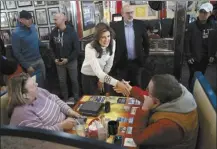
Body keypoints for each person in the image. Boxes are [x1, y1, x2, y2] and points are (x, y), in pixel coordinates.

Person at [114, 74, 198, 149]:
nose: (146, 92)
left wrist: (143, 109)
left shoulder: (169, 124)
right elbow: (151, 97)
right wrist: (131, 89)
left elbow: (138, 138)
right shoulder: (177, 91)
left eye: (148, 91)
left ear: (156, 102)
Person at [8, 73, 81, 131]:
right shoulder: (23, 113)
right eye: (33, 85)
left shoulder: (38, 91)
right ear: (24, 95)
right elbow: (42, 135)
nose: (37, 85)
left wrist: (70, 111)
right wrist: (62, 126)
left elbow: (55, 99)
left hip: (66, 124)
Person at [81, 22, 129, 95]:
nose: (107, 40)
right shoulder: (89, 47)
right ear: (97, 38)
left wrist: (101, 80)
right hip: (89, 77)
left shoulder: (112, 43)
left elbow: (109, 65)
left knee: (105, 97)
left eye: (108, 36)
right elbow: (98, 72)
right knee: (93, 101)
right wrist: (117, 83)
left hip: (103, 74)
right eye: (103, 37)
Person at [110, 4, 150, 87]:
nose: (130, 15)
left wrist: (145, 55)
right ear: (122, 14)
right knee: (122, 88)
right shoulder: (115, 26)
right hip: (122, 63)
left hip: (136, 62)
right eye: (128, 13)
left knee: (137, 86)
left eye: (132, 12)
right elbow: (111, 44)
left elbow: (146, 42)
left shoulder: (140, 24)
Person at [184, 2, 217, 89]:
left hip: (205, 57)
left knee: (201, 74)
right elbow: (186, 42)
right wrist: (188, 56)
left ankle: (197, 90)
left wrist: (212, 54)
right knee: (193, 75)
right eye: (201, 12)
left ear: (210, 13)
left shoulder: (213, 27)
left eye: (205, 12)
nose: (202, 14)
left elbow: (214, 42)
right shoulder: (191, 26)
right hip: (193, 57)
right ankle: (190, 90)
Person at [49, 13, 80, 102]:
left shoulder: (71, 32)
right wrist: (54, 58)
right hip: (59, 62)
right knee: (62, 81)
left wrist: (68, 59)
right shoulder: (54, 32)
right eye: (54, 19)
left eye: (56, 19)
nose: (54, 21)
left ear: (63, 20)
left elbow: (77, 49)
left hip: (71, 61)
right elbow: (51, 47)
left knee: (74, 80)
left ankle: (77, 98)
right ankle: (65, 99)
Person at [11, 10, 46, 87]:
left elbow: (36, 40)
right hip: (29, 63)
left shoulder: (32, 27)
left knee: (43, 81)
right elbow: (16, 53)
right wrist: (27, 66)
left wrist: (46, 45)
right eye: (27, 19)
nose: (30, 20)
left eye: (30, 18)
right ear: (20, 20)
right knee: (34, 85)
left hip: (39, 59)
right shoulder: (16, 33)